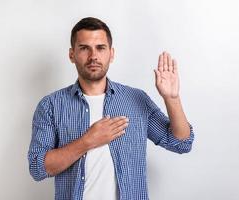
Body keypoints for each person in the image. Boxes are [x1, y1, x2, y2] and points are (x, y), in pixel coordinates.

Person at [28, 17, 194, 200]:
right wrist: (88, 141)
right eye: (84, 48)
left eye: (100, 48)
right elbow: (37, 167)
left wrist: (172, 99)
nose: (93, 56)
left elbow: (181, 143)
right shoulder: (51, 105)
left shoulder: (136, 99)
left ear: (111, 54)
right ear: (72, 55)